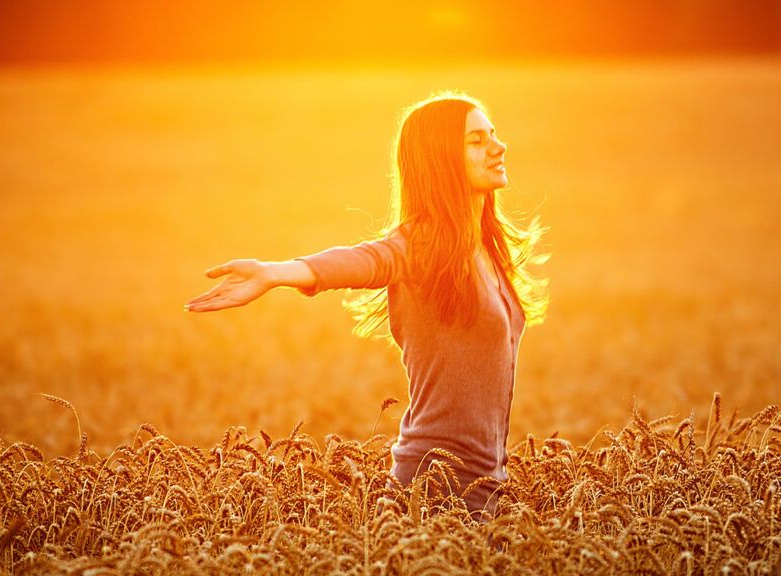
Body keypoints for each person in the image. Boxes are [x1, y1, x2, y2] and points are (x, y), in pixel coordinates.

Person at [185, 92, 548, 521]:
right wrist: (279, 272)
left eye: (493, 134)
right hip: (435, 487)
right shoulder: (422, 244)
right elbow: (368, 259)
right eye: (475, 140)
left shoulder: (485, 248)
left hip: (487, 486)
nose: (497, 146)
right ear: (440, 159)